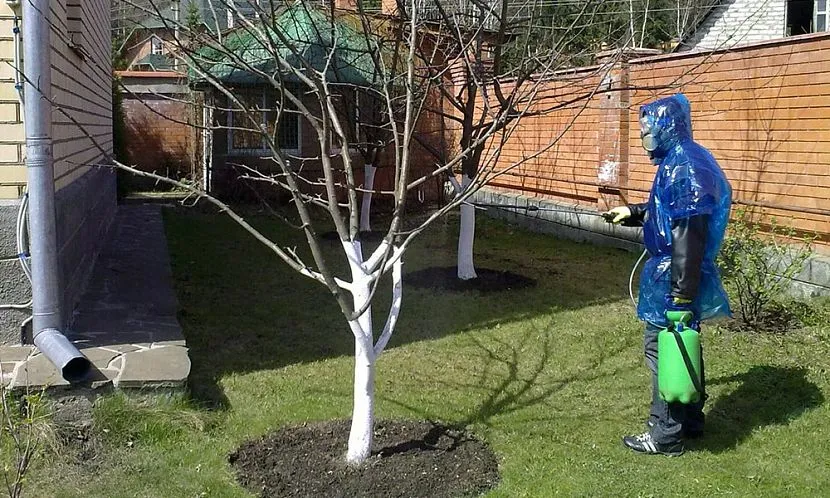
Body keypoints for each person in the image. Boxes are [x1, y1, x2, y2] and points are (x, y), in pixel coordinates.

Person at [604, 93, 732, 456]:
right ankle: (690, 421)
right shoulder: (686, 159)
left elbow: (689, 232)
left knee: (663, 349)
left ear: (667, 127)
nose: (646, 137)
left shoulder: (684, 166)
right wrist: (635, 212)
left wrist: (679, 295)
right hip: (680, 274)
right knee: (684, 343)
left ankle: (664, 434)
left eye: (649, 130)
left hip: (675, 277)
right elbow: (672, 213)